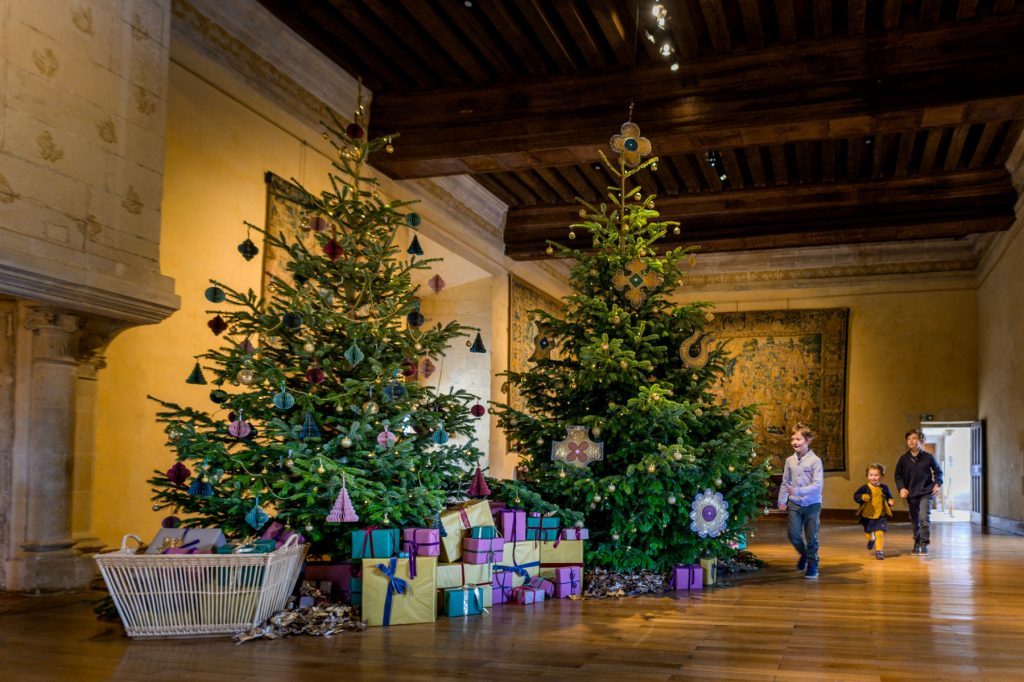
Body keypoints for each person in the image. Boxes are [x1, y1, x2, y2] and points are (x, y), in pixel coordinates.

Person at [777, 423, 824, 579]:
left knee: (812, 537)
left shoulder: (815, 461)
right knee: (793, 534)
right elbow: (785, 482)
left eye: (798, 439)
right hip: (795, 504)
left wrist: (798, 491)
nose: (794, 442)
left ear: (808, 440)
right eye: (792, 439)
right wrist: (782, 500)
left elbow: (818, 485)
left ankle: (813, 564)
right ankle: (804, 554)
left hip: (812, 505)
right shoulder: (790, 460)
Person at [894, 429, 943, 556]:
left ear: (921, 441)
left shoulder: (928, 457)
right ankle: (917, 541)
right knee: (915, 520)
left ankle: (924, 544)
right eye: (909, 438)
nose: (911, 441)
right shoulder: (903, 459)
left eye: (914, 438)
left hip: (926, 492)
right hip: (912, 494)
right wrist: (901, 488)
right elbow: (898, 476)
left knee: (923, 518)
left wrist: (937, 484)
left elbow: (938, 472)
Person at [853, 464, 895, 560]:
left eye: (876, 475)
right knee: (868, 533)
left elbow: (889, 496)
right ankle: (872, 539)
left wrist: (891, 500)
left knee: (880, 533)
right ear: (867, 476)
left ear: (881, 476)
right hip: (867, 516)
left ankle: (879, 551)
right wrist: (862, 497)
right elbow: (856, 496)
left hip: (880, 515)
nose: (873, 477)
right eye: (871, 475)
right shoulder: (864, 488)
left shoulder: (884, 488)